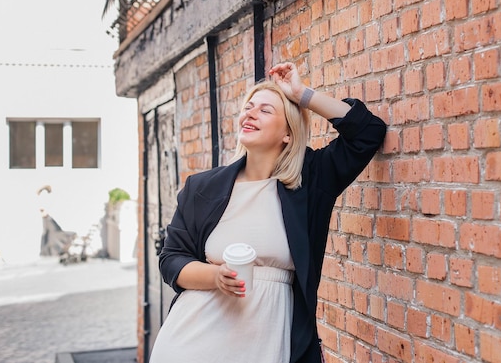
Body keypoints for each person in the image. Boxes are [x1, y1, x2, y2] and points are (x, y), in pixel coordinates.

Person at [150, 61, 387, 363]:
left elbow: (368, 132)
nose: (250, 113)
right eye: (248, 107)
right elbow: (171, 260)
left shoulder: (310, 181)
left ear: (288, 133)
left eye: (265, 110)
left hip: (269, 343)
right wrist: (216, 276)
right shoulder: (202, 187)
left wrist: (303, 95)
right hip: (194, 341)